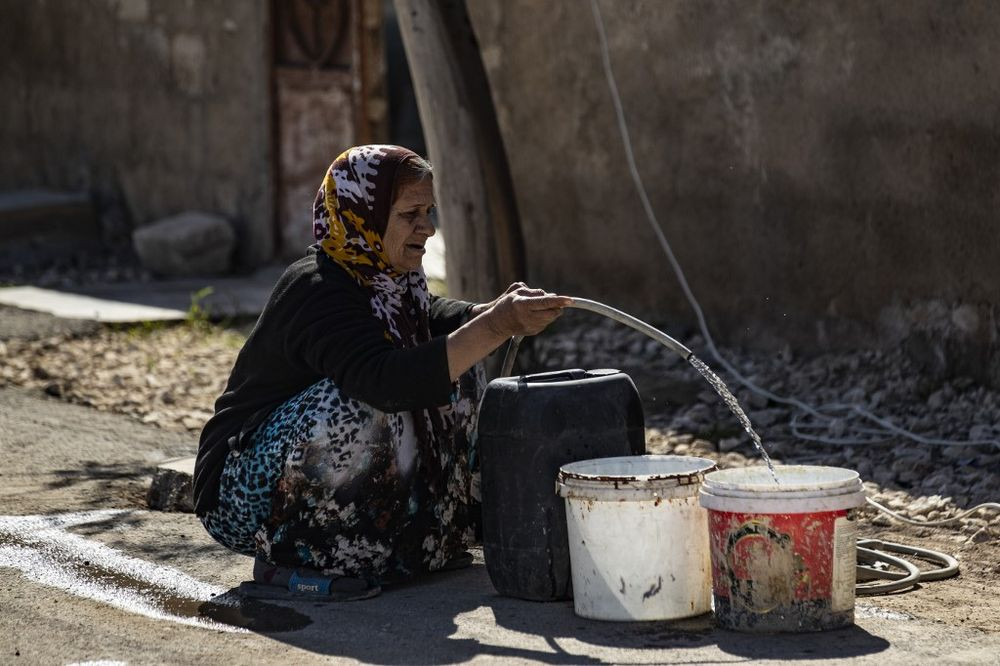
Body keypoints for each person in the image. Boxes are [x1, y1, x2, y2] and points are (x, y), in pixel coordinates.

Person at [193, 144, 571, 600]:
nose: (428, 229)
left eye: (429, 212)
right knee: (355, 402)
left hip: (296, 473)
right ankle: (289, 559)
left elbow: (428, 317)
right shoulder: (319, 286)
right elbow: (385, 381)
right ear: (364, 214)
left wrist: (485, 312)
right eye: (411, 214)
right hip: (240, 490)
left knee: (462, 368)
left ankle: (423, 537)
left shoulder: (390, 278)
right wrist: (496, 325)